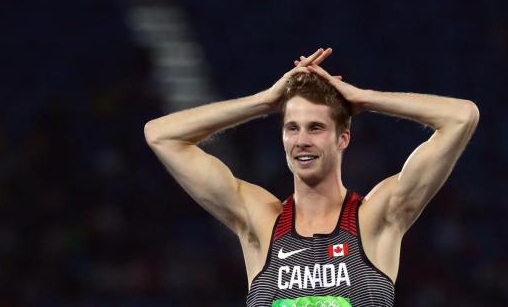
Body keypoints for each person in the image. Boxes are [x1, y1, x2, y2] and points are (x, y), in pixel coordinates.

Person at [143, 48, 479, 306]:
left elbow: (461, 117)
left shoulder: (377, 218)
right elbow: (161, 134)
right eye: (292, 128)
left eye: (316, 128)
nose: (302, 139)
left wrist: (364, 99)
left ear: (342, 138)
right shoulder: (260, 221)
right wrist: (263, 102)